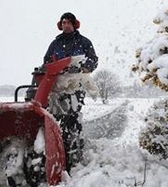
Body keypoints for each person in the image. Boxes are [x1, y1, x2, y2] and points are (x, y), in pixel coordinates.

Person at [43, 12, 98, 172]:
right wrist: (46, 67)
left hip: (77, 82)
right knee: (53, 112)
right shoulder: (55, 43)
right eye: (64, 22)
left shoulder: (84, 41)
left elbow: (93, 59)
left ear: (75, 24)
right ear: (60, 25)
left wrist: (82, 67)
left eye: (69, 22)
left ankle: (74, 145)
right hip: (58, 83)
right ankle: (53, 138)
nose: (66, 24)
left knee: (71, 114)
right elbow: (47, 60)